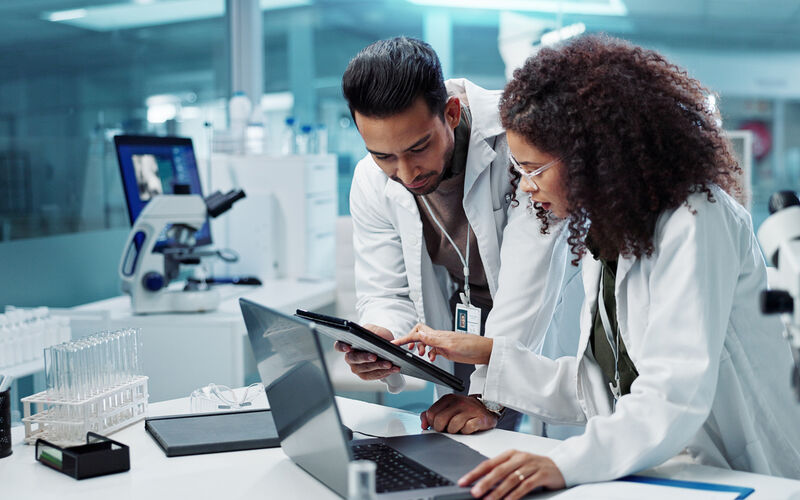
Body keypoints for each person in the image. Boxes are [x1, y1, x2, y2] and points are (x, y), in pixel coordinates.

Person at [394, 34, 800, 498]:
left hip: (742, 474)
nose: (524, 188)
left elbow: (673, 396)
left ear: (593, 159)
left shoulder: (695, 218)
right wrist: (488, 353)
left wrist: (562, 462)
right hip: (668, 469)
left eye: (532, 169)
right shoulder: (609, 233)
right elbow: (598, 387)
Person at [337, 36, 582, 432]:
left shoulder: (519, 136)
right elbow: (387, 291)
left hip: (544, 313)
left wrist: (489, 397)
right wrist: (380, 339)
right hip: (466, 318)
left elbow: (530, 281)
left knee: (552, 445)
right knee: (469, 447)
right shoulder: (370, 180)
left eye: (418, 147)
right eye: (383, 155)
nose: (405, 173)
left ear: (451, 113)